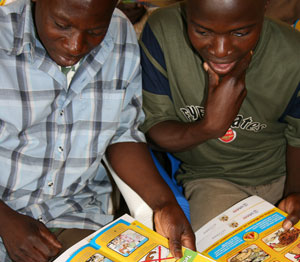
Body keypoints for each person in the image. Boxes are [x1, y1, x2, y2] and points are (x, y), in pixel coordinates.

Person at [0, 0, 196, 261]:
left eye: (94, 31)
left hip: (72, 212)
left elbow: (122, 133)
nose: (75, 46)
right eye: (61, 25)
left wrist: (164, 203)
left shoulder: (119, 32)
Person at [139, 0, 300, 233]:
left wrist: (295, 193)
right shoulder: (164, 32)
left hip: (283, 172)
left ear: (264, 6)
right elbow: (154, 132)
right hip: (211, 179)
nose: (221, 50)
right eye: (202, 31)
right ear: (186, 9)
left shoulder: (292, 54)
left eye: (241, 32)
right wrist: (210, 127)